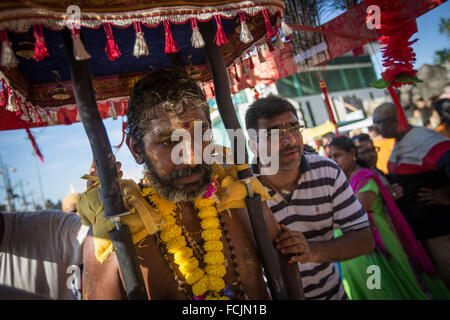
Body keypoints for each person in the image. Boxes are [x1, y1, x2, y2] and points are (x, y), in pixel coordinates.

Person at [78, 69, 304, 300]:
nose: (193, 157)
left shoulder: (237, 194)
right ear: (137, 149)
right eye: (168, 142)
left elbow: (285, 265)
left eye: (201, 134)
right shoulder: (115, 230)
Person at [244, 96, 375, 300]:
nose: (290, 141)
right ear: (253, 146)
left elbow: (364, 240)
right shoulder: (242, 192)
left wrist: (311, 251)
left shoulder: (327, 172)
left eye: (294, 128)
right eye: (275, 133)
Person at [328, 136, 450, 299]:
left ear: (352, 153)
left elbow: (353, 213)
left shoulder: (365, 177)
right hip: (352, 251)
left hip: (375, 248)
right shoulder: (341, 181)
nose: (333, 161)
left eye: (337, 155)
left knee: (382, 290)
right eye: (330, 157)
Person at [373, 102, 450, 289]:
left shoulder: (424, 138)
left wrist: (446, 195)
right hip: (422, 231)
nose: (374, 129)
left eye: (378, 123)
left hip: (440, 229)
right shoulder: (399, 141)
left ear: (393, 121)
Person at [0, 210, 89, 300]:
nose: (77, 212)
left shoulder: (54, 226)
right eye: (73, 210)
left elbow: (97, 236)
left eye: (77, 208)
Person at [352, 134, 403, 200]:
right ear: (353, 155)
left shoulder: (376, 171)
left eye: (373, 149)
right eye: (364, 152)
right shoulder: (361, 179)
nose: (372, 155)